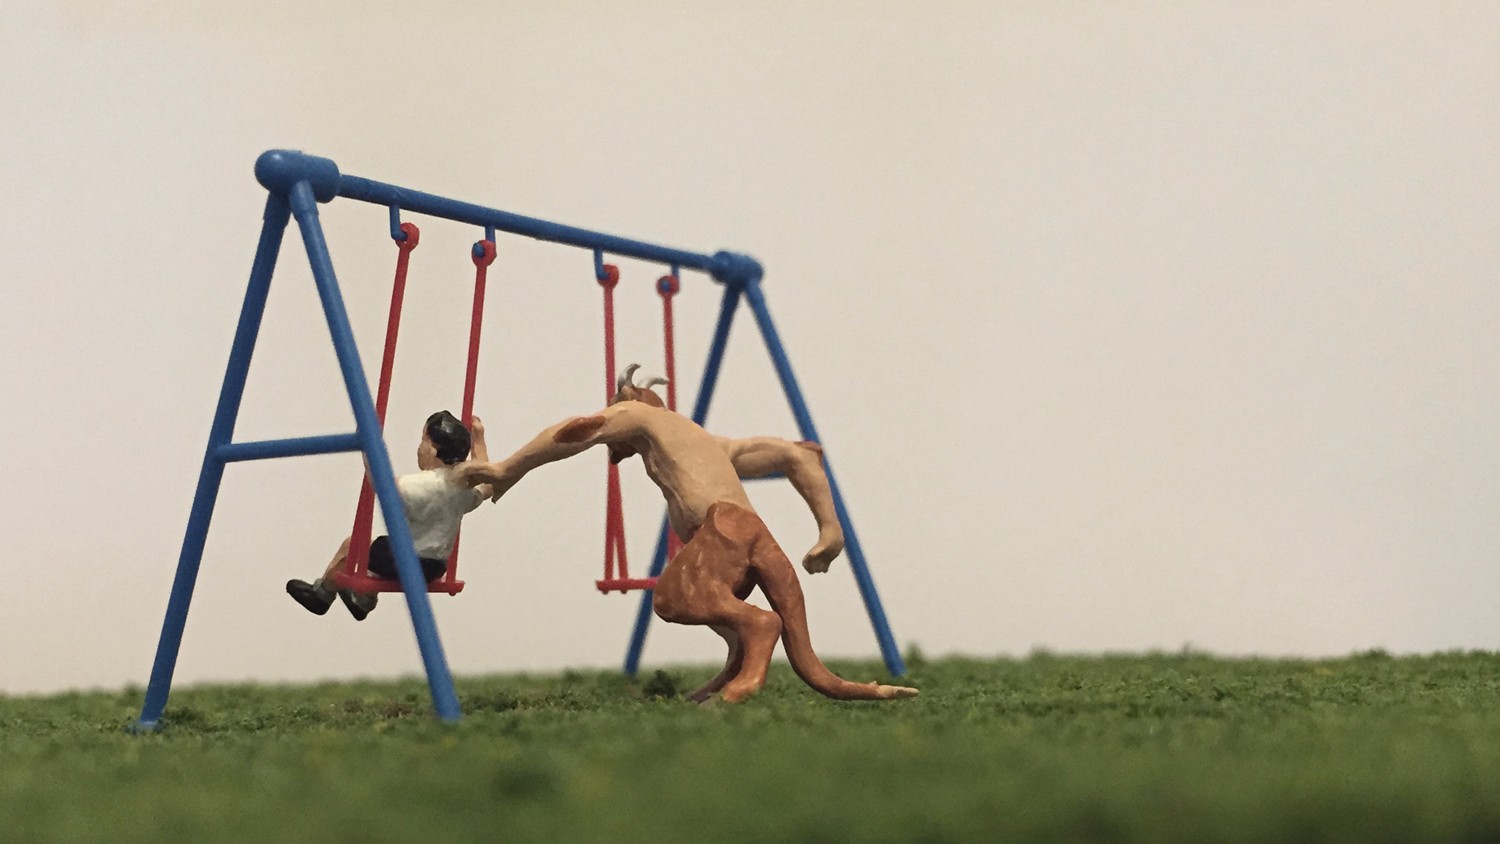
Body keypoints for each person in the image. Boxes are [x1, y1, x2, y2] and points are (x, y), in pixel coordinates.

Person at [477, 365, 917, 704]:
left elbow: (577, 431)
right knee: (740, 620)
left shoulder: (639, 414)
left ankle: (759, 628)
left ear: (628, 398)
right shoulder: (706, 442)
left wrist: (507, 469)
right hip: (746, 531)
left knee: (676, 597)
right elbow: (798, 455)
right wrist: (829, 529)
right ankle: (737, 674)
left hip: (723, 527)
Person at [286, 411, 497, 620]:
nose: (419, 449)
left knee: (353, 546)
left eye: (423, 441)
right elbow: (488, 485)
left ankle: (322, 594)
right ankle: (363, 599)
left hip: (408, 561)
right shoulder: (462, 491)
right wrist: (479, 439)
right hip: (435, 568)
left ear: (433, 449)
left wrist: (369, 447)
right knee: (383, 548)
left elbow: (382, 485)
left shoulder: (426, 484)